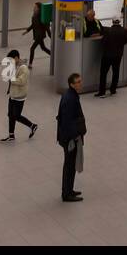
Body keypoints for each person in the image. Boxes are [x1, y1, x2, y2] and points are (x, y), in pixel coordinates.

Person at [56, 74, 86, 202]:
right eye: (78, 82)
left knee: (71, 164)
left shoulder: (71, 95)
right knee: (69, 165)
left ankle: (69, 189)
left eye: (80, 81)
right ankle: (66, 193)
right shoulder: (70, 99)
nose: (80, 84)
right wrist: (74, 137)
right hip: (69, 138)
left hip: (69, 137)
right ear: (71, 84)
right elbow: (68, 121)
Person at [0, 50, 38, 141]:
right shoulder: (15, 66)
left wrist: (10, 79)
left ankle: (32, 126)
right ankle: (11, 135)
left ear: (16, 58)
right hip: (13, 95)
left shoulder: (23, 68)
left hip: (19, 96)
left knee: (16, 115)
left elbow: (21, 81)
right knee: (10, 115)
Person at [96, 18, 127, 97]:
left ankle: (102, 91)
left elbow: (103, 42)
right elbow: (125, 41)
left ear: (113, 22)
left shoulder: (108, 31)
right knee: (116, 72)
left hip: (107, 55)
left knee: (103, 73)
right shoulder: (124, 31)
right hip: (118, 55)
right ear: (119, 22)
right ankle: (113, 89)